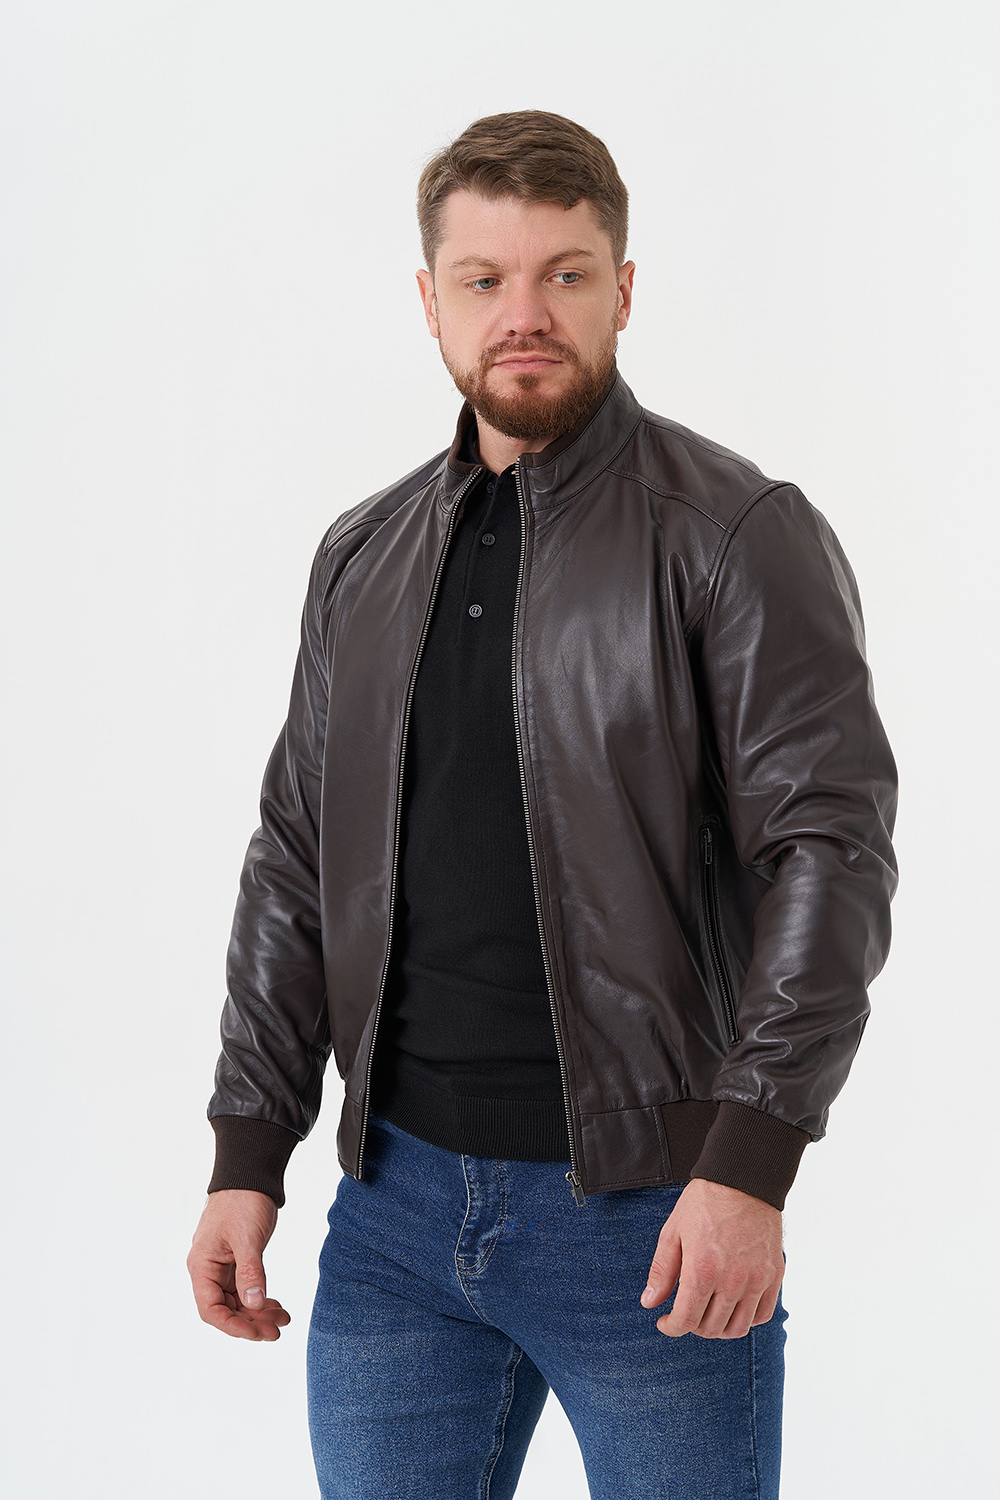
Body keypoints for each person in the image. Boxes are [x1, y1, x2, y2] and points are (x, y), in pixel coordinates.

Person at [187, 110, 898, 1499]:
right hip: (392, 1219)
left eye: (565, 274)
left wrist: (751, 1161)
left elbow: (831, 852)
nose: (525, 314)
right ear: (430, 301)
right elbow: (295, 859)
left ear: (622, 289)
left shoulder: (735, 534)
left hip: (653, 1215)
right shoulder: (363, 552)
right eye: (485, 279)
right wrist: (248, 1149)